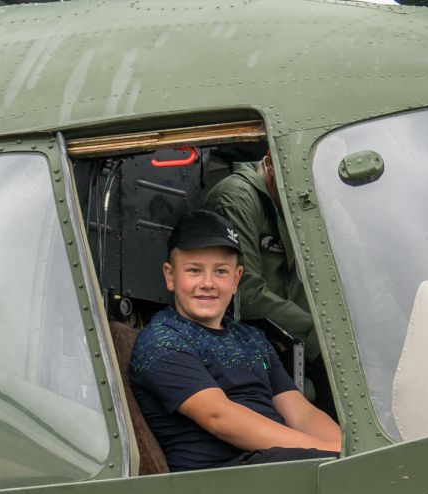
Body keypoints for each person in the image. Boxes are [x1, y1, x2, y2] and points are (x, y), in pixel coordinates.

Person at [129, 209, 340, 472]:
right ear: (170, 276)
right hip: (219, 479)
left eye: (220, 272)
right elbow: (220, 418)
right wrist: (325, 453)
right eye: (194, 271)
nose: (208, 283)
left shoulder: (252, 338)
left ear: (236, 278)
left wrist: (352, 450)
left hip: (273, 467)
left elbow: (301, 412)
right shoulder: (163, 340)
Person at [200, 151, 319, 364]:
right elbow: (243, 293)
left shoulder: (306, 203)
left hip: (287, 352)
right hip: (241, 352)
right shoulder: (236, 198)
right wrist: (320, 336)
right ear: (271, 165)